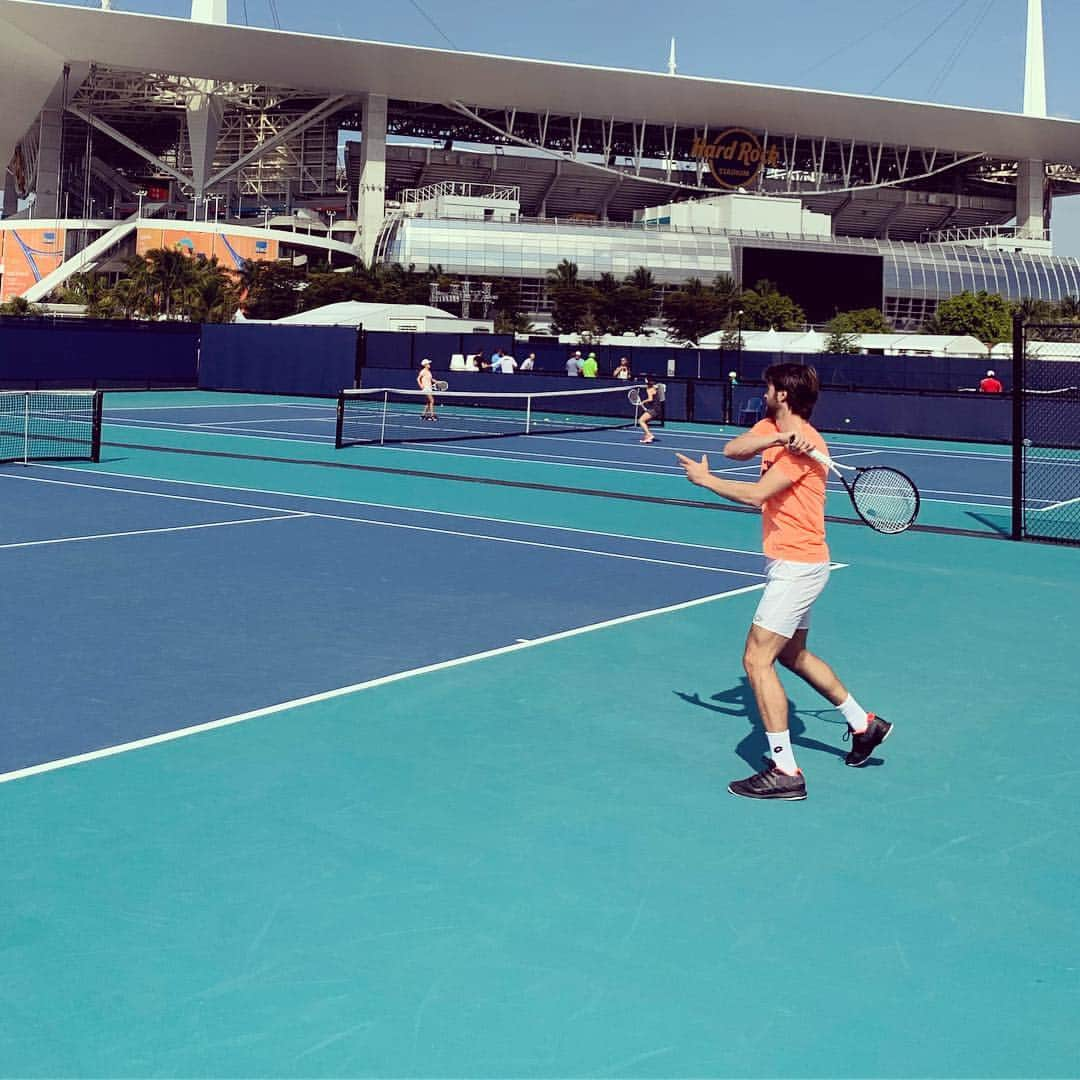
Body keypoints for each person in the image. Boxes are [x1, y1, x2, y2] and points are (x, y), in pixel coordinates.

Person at [675, 363, 892, 801]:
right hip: (793, 562)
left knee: (756, 661)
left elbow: (756, 495)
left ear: (784, 396)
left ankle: (785, 770)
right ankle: (864, 725)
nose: (764, 392)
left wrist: (705, 481)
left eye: (769, 388)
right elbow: (734, 449)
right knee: (793, 654)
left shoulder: (808, 447)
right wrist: (772, 437)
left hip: (798, 565)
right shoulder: (773, 428)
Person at [637, 374, 661, 444]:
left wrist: (643, 402)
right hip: (657, 409)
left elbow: (650, 399)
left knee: (641, 421)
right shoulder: (655, 388)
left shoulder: (649, 389)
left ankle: (649, 435)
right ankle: (647, 438)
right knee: (645, 422)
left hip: (654, 409)